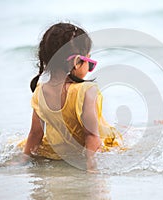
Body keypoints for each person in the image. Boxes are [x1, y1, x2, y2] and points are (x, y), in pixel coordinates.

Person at [18, 22, 123, 170]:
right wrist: (92, 169)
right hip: (91, 147)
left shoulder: (40, 91)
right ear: (76, 62)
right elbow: (92, 136)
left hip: (58, 151)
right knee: (122, 133)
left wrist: (24, 158)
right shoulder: (87, 91)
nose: (90, 68)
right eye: (89, 62)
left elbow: (35, 134)